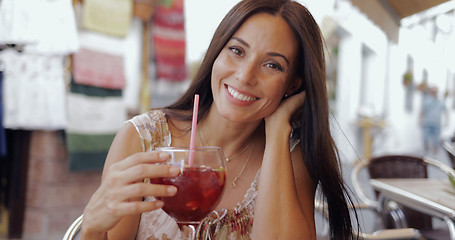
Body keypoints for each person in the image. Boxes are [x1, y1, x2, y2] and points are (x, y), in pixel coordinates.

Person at [80, 0, 357, 239]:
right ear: (216, 52)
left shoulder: (290, 158)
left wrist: (277, 128)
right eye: (237, 51)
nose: (245, 76)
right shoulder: (143, 139)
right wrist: (92, 228)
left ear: (292, 85)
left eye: (272, 65)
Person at [420, 86, 447, 154]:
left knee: (436, 139)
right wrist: (420, 120)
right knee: (425, 137)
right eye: (432, 92)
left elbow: (445, 111)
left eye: (435, 92)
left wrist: (447, 121)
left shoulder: (440, 101)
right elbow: (422, 111)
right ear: (430, 92)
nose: (434, 93)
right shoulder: (426, 100)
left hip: (436, 123)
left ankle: (435, 149)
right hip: (427, 123)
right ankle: (426, 146)